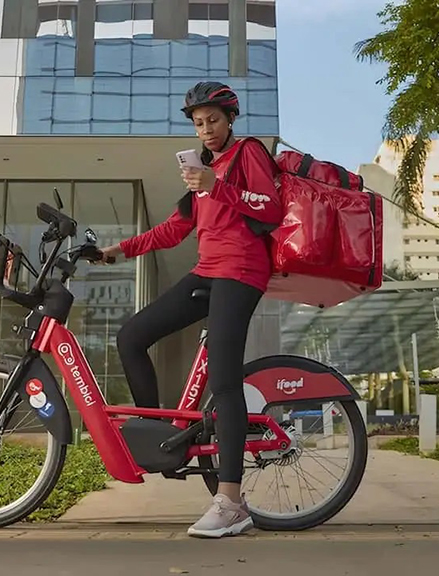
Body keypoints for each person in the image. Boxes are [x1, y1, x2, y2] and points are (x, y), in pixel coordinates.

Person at [96, 81, 282, 538]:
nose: (207, 130)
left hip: (240, 272)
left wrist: (219, 186)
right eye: (199, 123)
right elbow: (172, 231)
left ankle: (232, 501)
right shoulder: (200, 171)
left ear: (230, 118)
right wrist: (117, 249)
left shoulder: (247, 155)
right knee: (132, 336)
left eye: (214, 120)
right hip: (206, 272)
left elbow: (271, 207)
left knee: (223, 380)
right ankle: (157, 438)